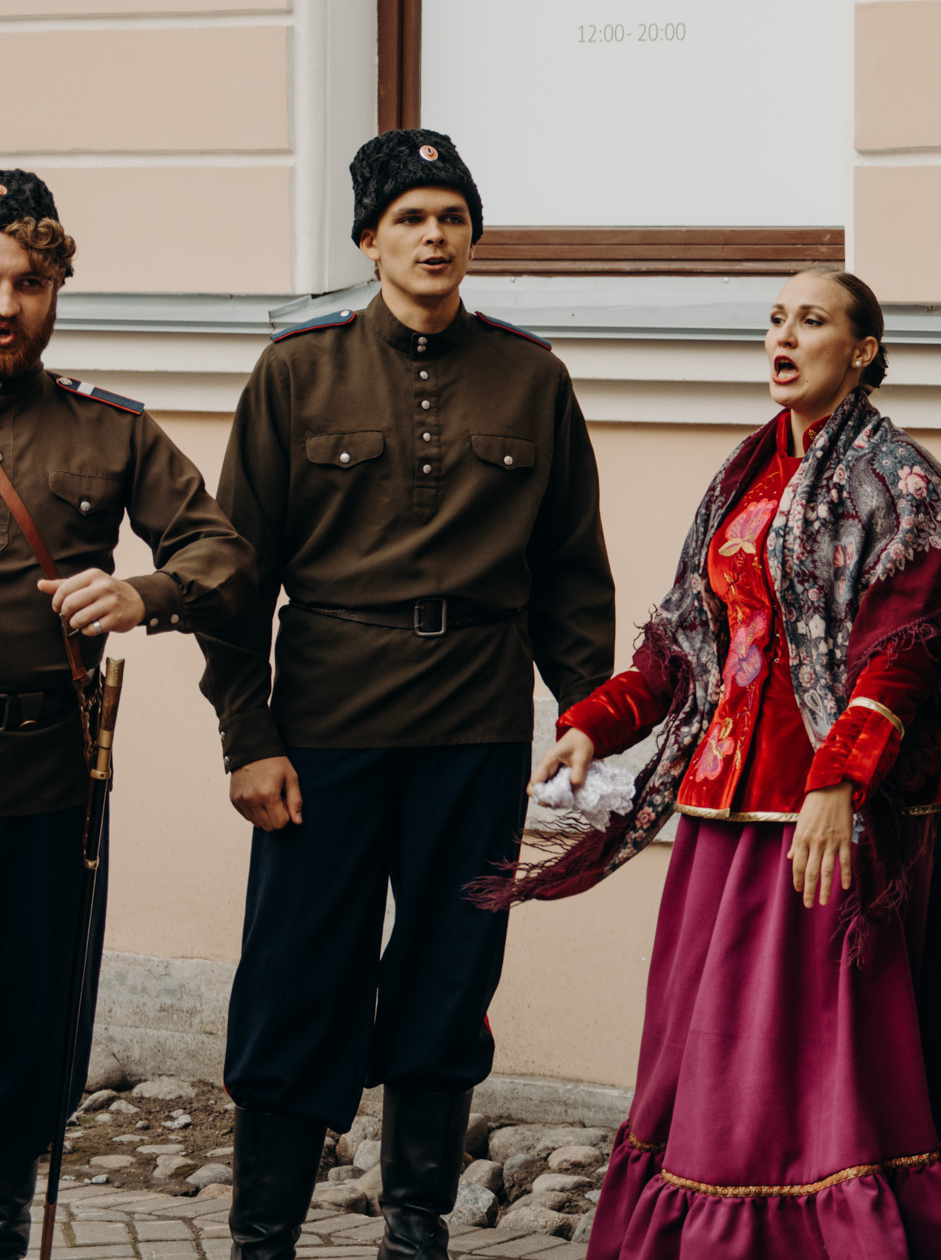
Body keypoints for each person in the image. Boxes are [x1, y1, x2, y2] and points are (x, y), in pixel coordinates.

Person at [494, 266, 941, 1258]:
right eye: (776, 318)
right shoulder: (744, 473)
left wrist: (837, 782)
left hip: (828, 824)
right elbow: (683, 640)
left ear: (862, 351)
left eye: (812, 320)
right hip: (723, 819)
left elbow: (908, 652)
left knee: (826, 1068)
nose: (784, 335)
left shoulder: (902, 484)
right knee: (717, 1061)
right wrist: (596, 723)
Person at [199, 131, 616, 1260]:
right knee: (295, 978)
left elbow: (571, 568)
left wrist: (585, 708)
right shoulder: (298, 374)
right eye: (412, 217)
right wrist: (249, 737)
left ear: (472, 237)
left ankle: (418, 1225)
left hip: (475, 732)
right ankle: (263, 1234)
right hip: (325, 732)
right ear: (368, 240)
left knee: (450, 976)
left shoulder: (532, 377)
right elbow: (235, 579)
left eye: (453, 216)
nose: (435, 236)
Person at [0, 173, 254, 1260]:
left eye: (28, 280)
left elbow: (221, 552)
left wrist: (143, 595)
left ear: (58, 288)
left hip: (40, 782)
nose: (5, 304)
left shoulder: (108, 436)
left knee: (27, 1029)